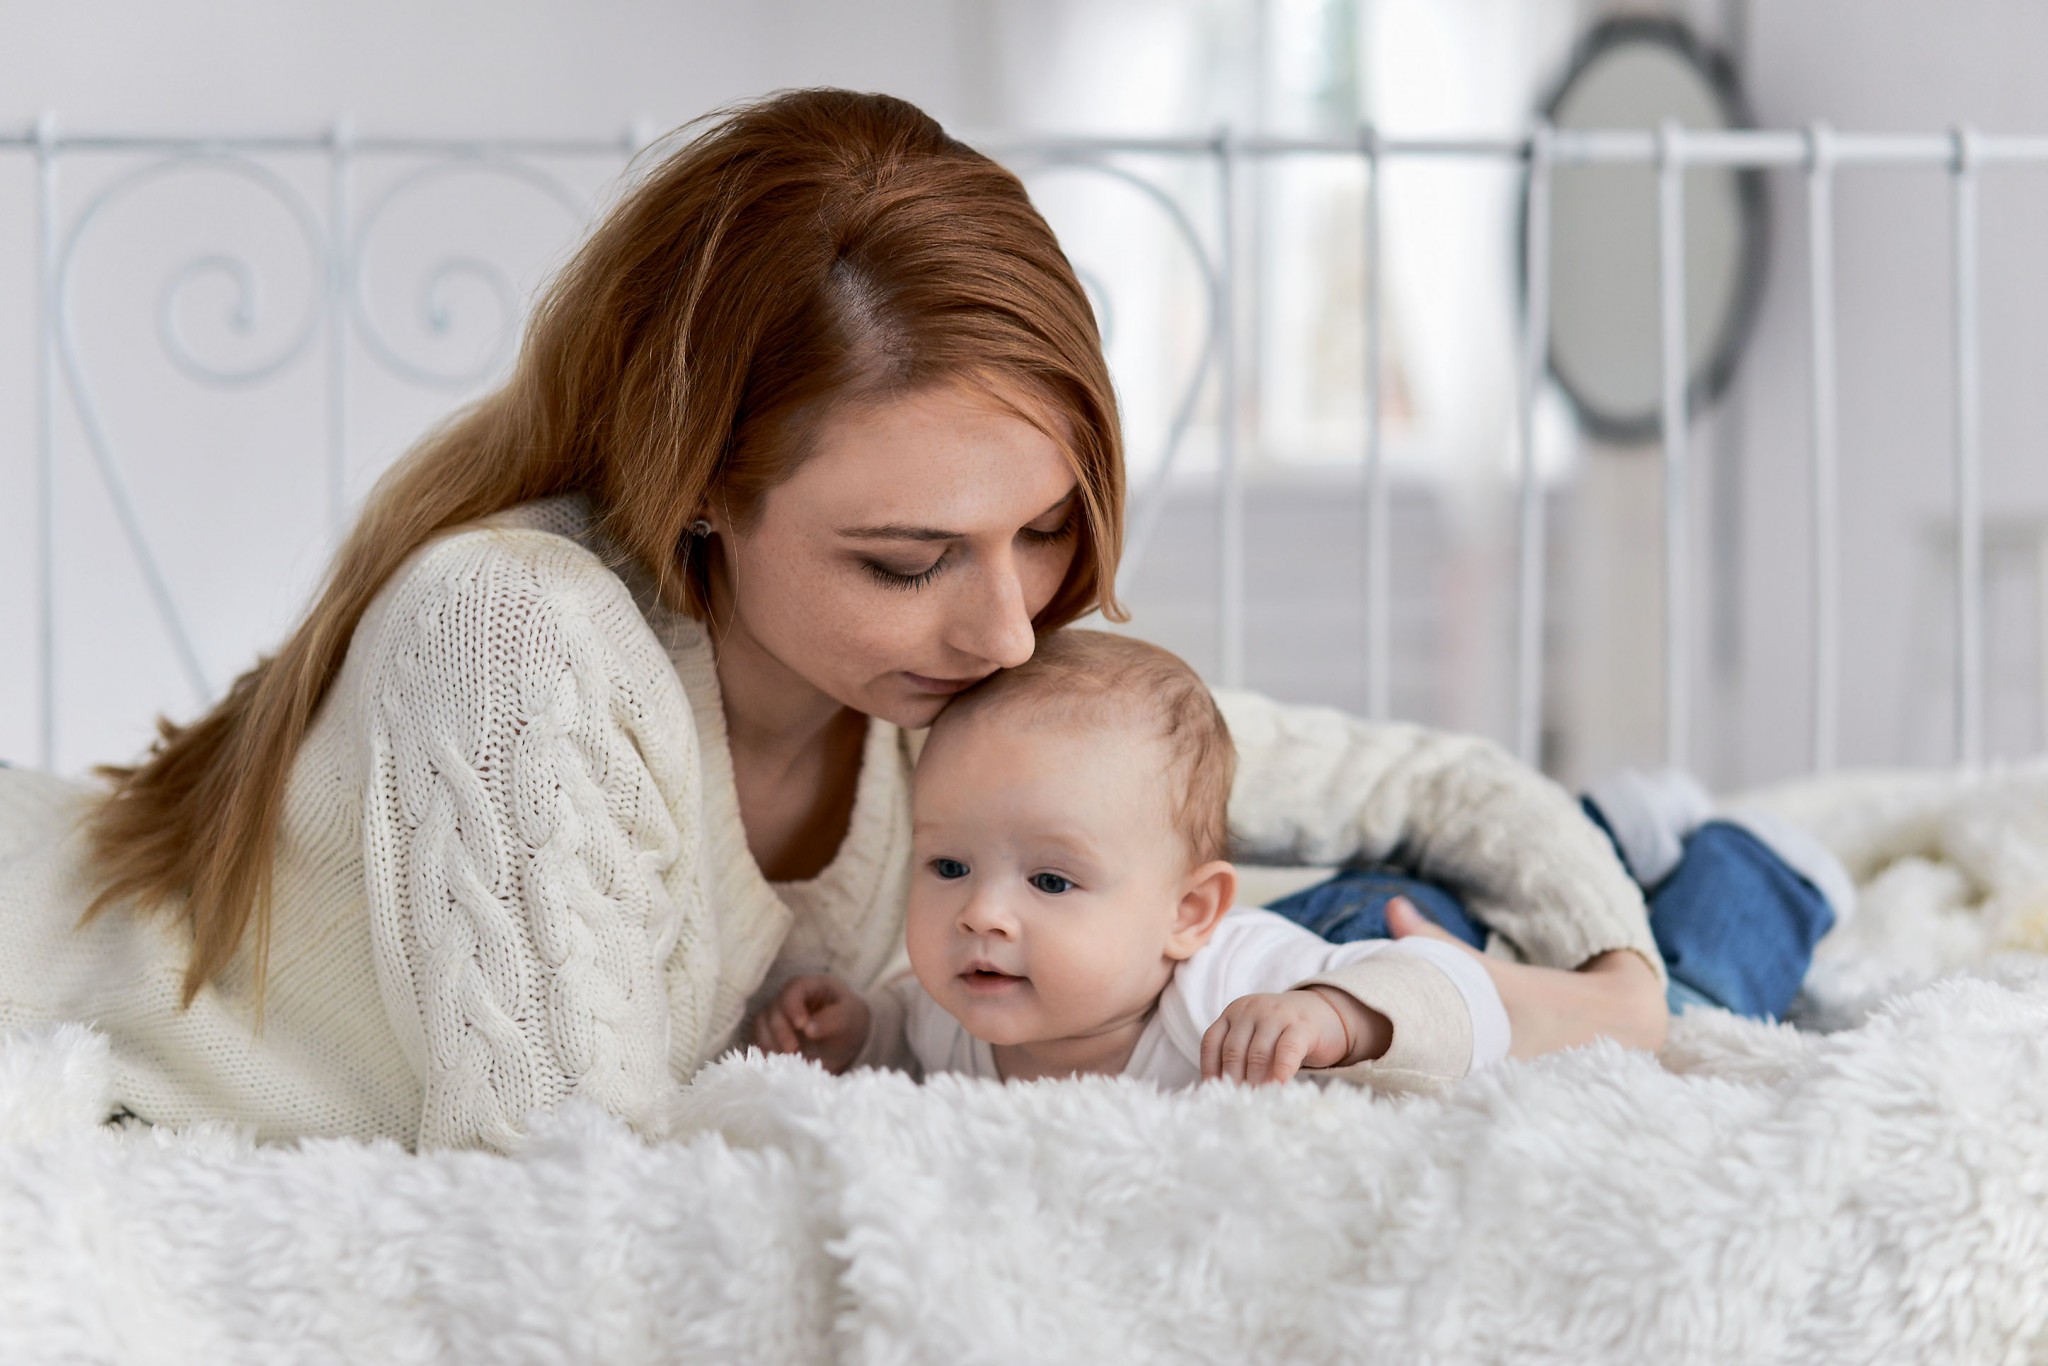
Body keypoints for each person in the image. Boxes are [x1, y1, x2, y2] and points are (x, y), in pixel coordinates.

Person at [0, 88, 1664, 1155]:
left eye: (1043, 529)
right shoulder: (515, 640)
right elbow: (567, 1196)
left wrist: (1614, 988)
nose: (1007, 629)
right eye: (906, 558)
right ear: (702, 494)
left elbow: (1432, 786)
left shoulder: (962, 673)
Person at [751, 630, 1513, 1089]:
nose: (979, 914)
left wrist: (1334, 1016)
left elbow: (1466, 999)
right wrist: (858, 1031)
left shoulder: (1233, 985)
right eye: (949, 867)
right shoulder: (962, 1004)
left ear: (1188, 914)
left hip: (1365, 925)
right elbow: (909, 1030)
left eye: (1050, 880)